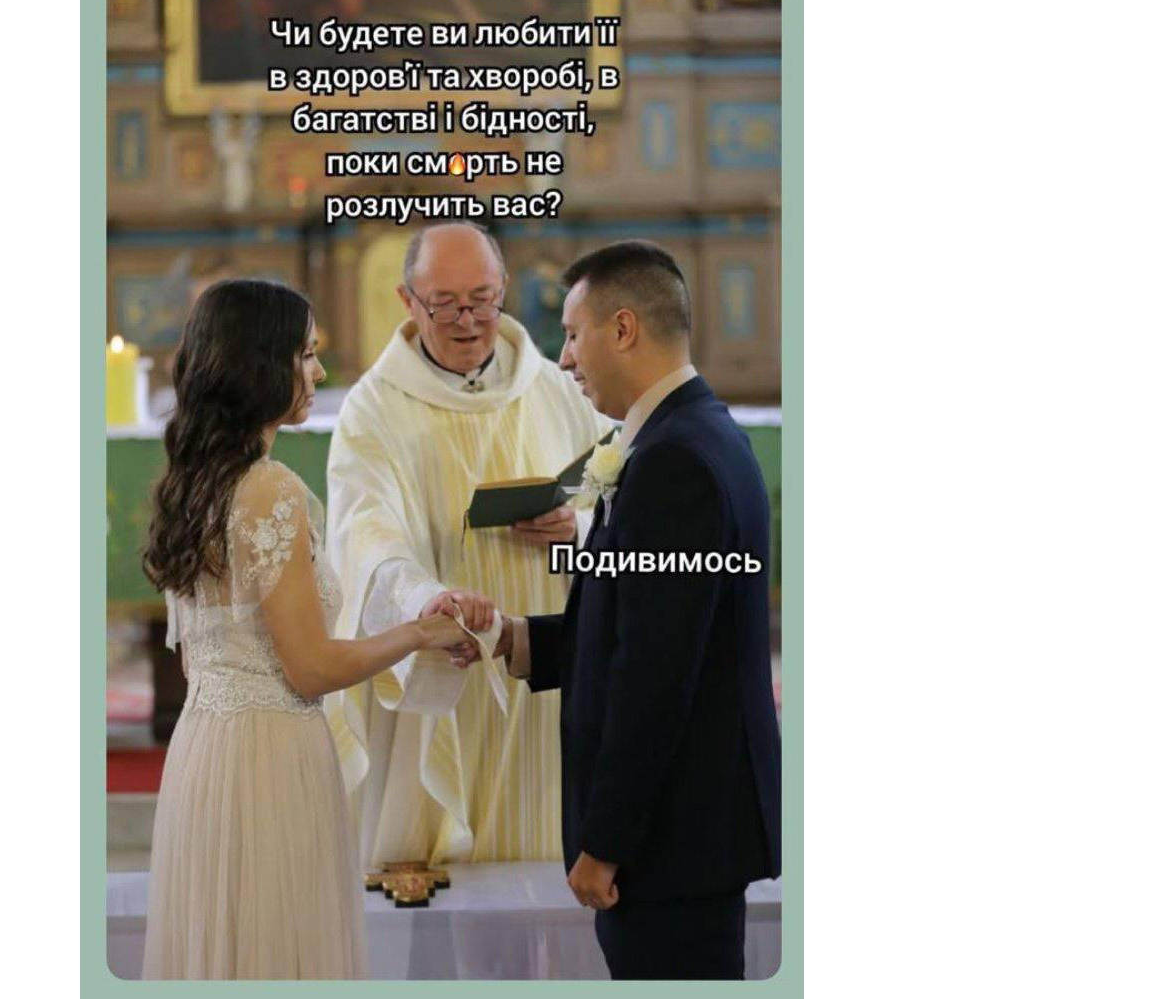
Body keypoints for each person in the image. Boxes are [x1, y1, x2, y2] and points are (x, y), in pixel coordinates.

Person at [138, 280, 474, 979]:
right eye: (307, 354)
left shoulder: (191, 483)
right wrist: (419, 634)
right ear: (262, 364)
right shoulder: (270, 490)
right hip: (268, 756)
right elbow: (311, 669)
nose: (318, 372)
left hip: (204, 749)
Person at [465, 241, 782, 979]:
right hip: (685, 833)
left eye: (573, 334)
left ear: (624, 328)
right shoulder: (692, 433)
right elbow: (642, 624)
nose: (564, 359)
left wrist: (606, 842)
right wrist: (516, 638)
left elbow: (654, 676)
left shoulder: (673, 462)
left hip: (670, 841)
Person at [325, 222, 613, 869]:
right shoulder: (374, 409)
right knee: (447, 875)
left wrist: (577, 529)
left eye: (483, 300)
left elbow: (619, 510)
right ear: (407, 300)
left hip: (549, 669)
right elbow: (364, 531)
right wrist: (426, 600)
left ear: (504, 288)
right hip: (440, 665)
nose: (468, 321)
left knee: (550, 848)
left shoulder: (556, 390)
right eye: (445, 304)